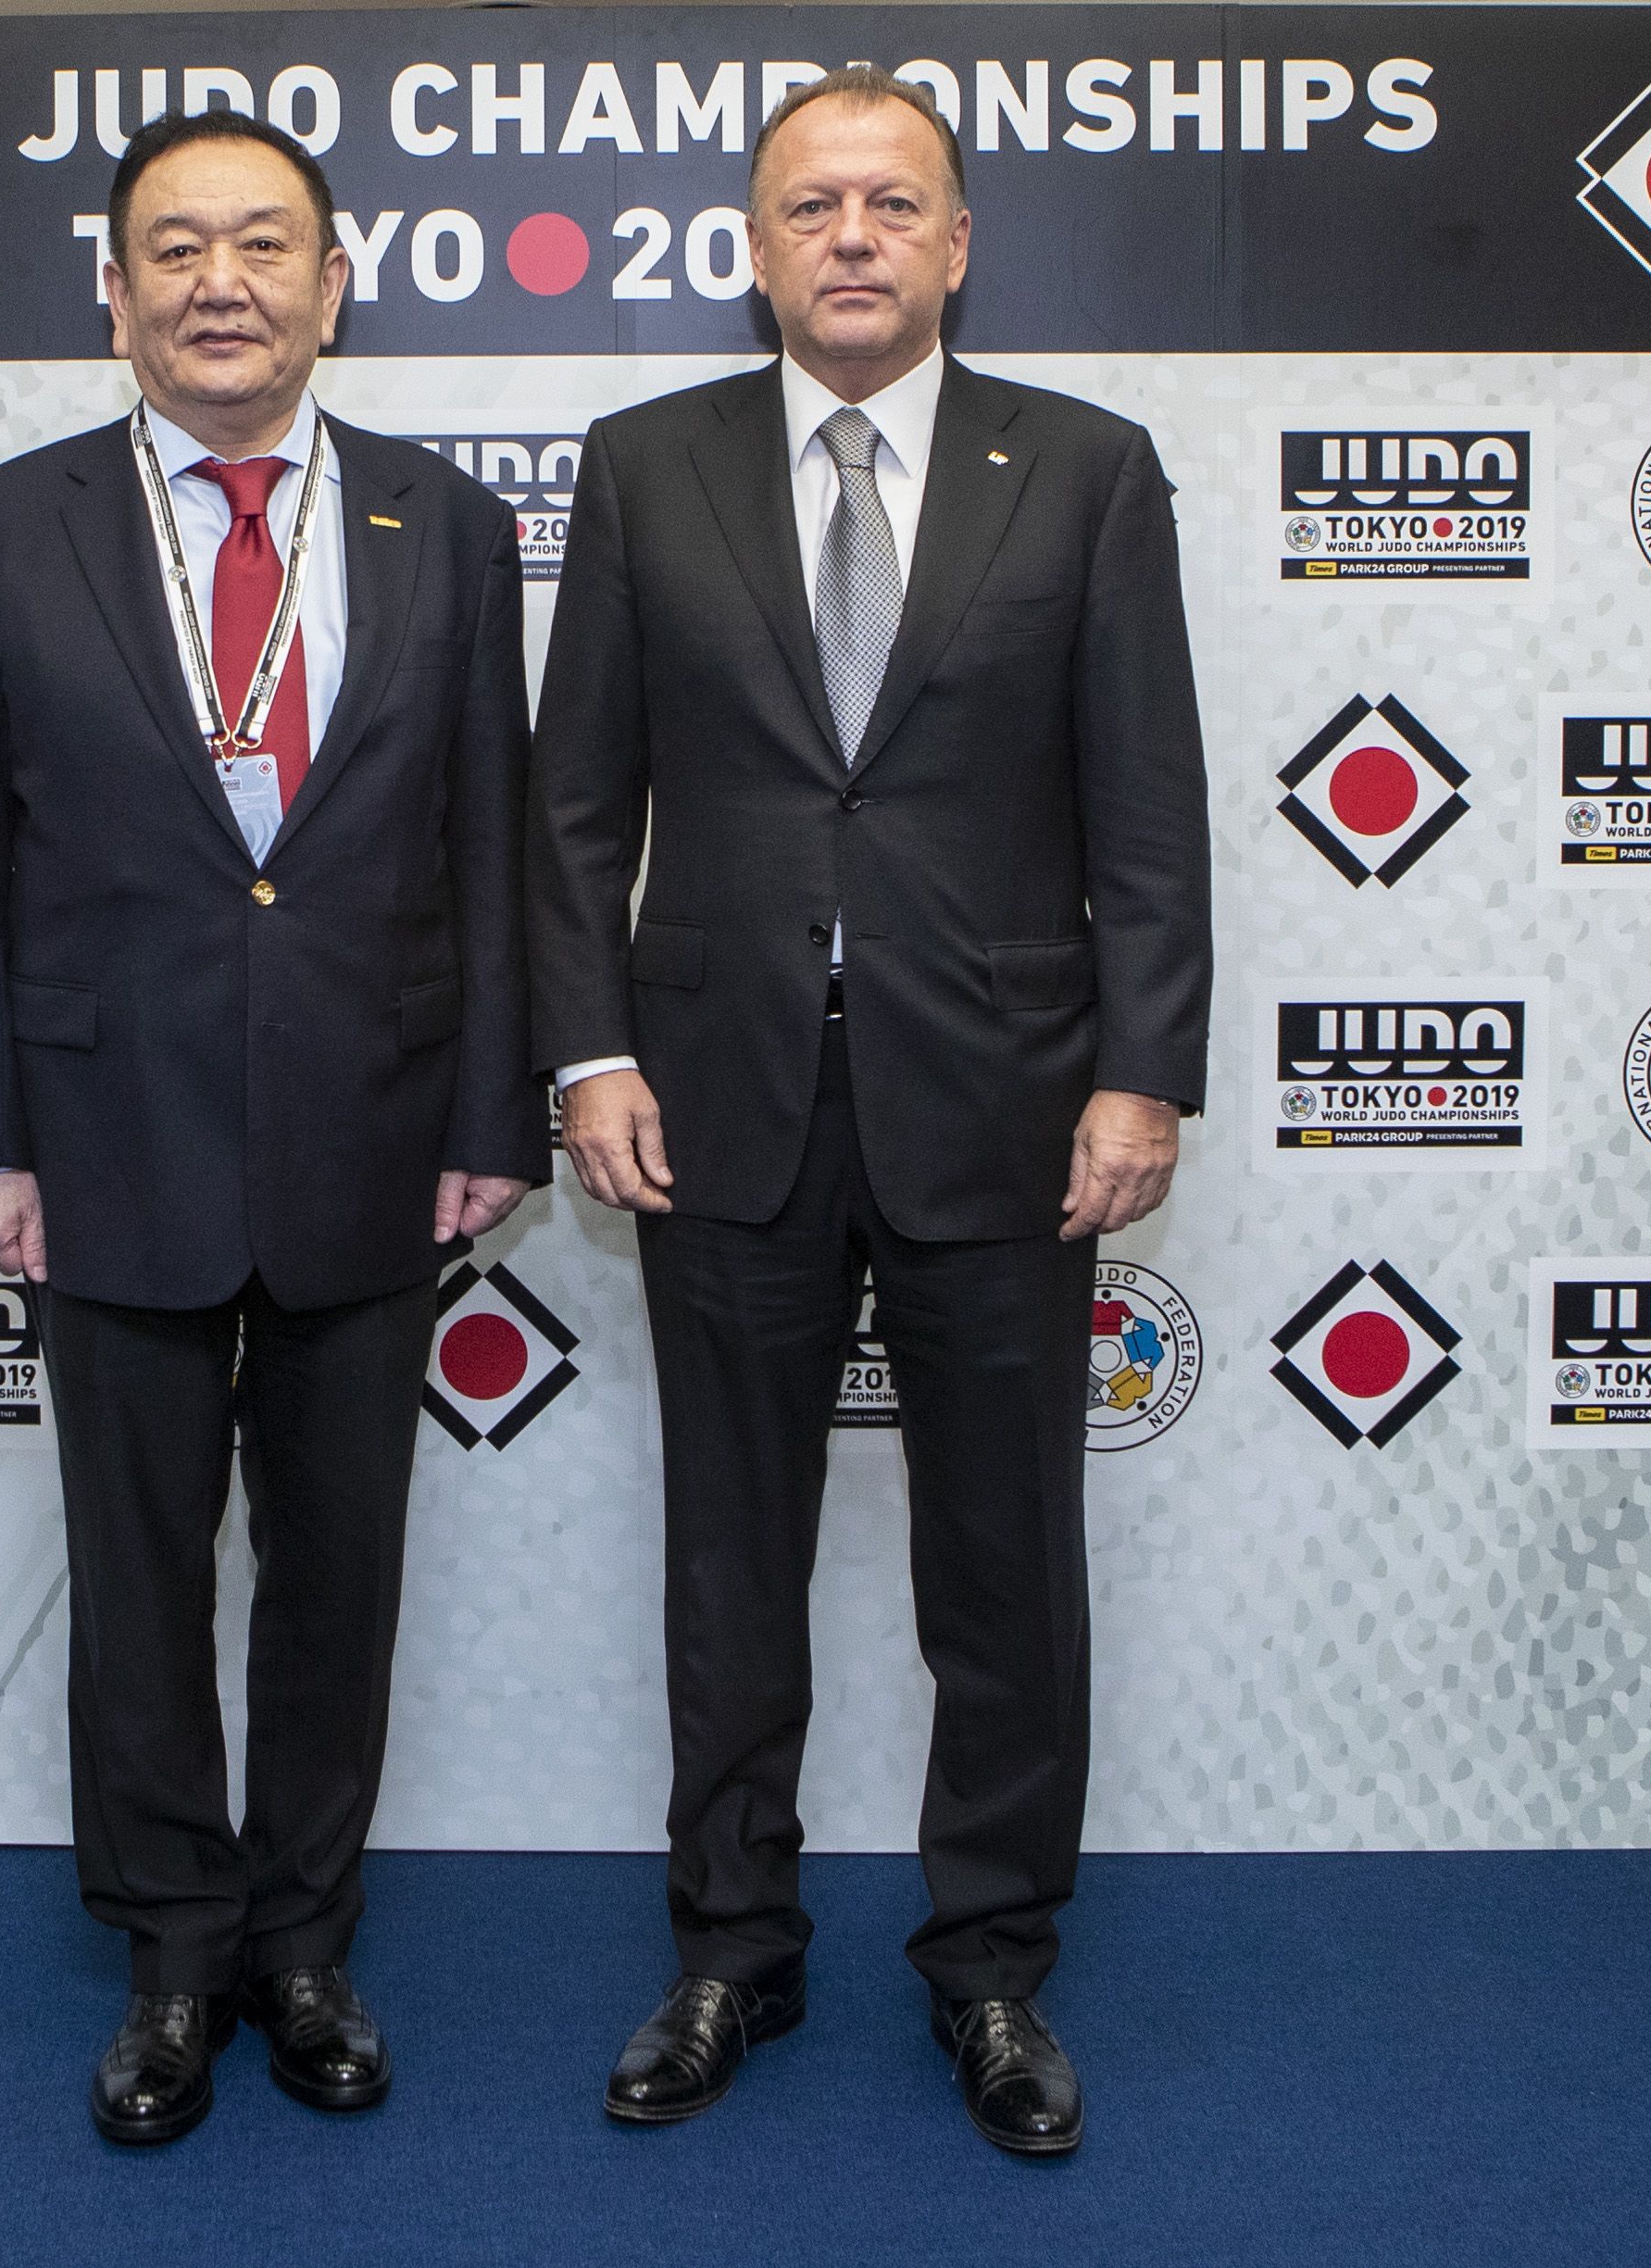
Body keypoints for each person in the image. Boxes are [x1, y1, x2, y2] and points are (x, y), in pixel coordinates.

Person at [527, 68, 1211, 2157]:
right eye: (812, 204)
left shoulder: (1084, 469)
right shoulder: (644, 464)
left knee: (1003, 1565)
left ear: (957, 242)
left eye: (892, 203)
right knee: (728, 1562)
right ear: (754, 245)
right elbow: (575, 810)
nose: (852, 236)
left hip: (1004, 1101)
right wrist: (588, 1050)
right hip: (714, 1098)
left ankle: (990, 1963)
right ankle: (731, 1948)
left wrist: (1142, 1069)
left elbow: (1147, 810)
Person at [0, 107, 544, 2146]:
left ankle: (304, 1947)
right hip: (105, 1136)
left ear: (332, 286)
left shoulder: (447, 524)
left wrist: (494, 1105)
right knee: (140, 1581)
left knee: (339, 1579)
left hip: (379, 1130)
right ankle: (175, 1954)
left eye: (263, 244)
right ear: (112, 295)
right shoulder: (5, 528)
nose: (220, 283)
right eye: (173, 247)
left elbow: (491, 843)